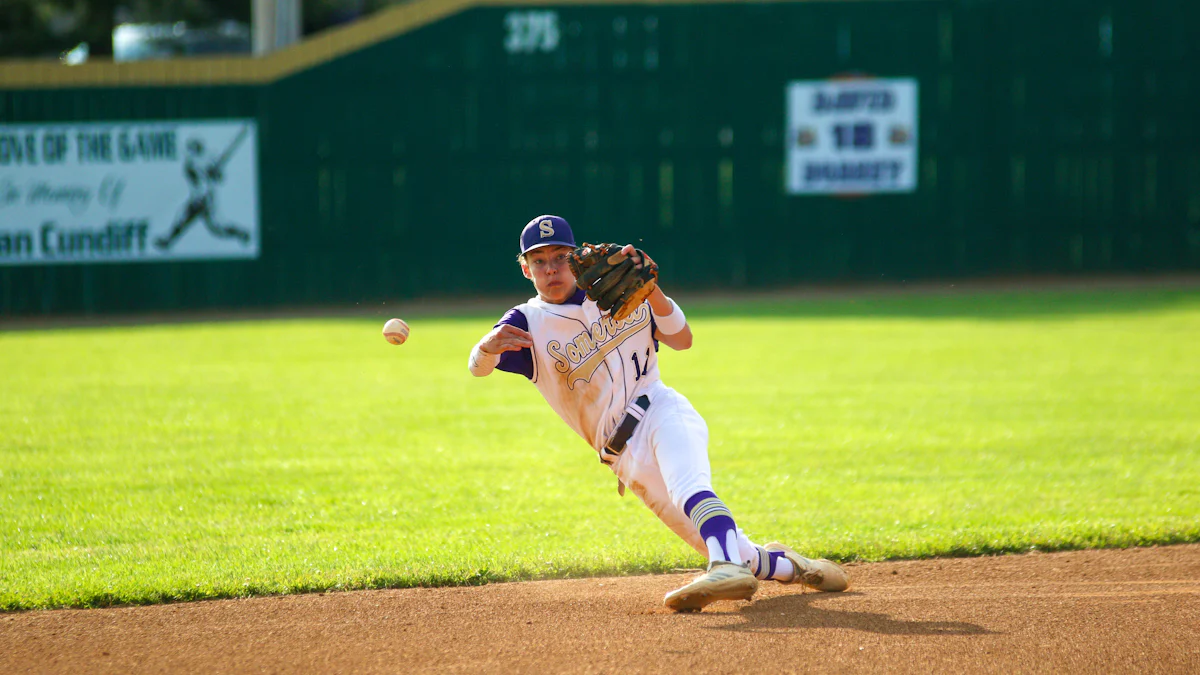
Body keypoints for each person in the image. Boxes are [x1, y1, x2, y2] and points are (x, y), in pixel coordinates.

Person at [468, 215, 849, 611]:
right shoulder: (526, 322)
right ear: (526, 268)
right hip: (623, 459)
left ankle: (723, 566)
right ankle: (796, 567)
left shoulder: (619, 291)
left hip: (660, 410)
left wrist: (653, 292)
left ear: (576, 256)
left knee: (690, 490)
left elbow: (682, 339)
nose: (551, 269)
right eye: (540, 260)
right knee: (735, 549)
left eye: (560, 257)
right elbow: (477, 367)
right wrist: (488, 346)